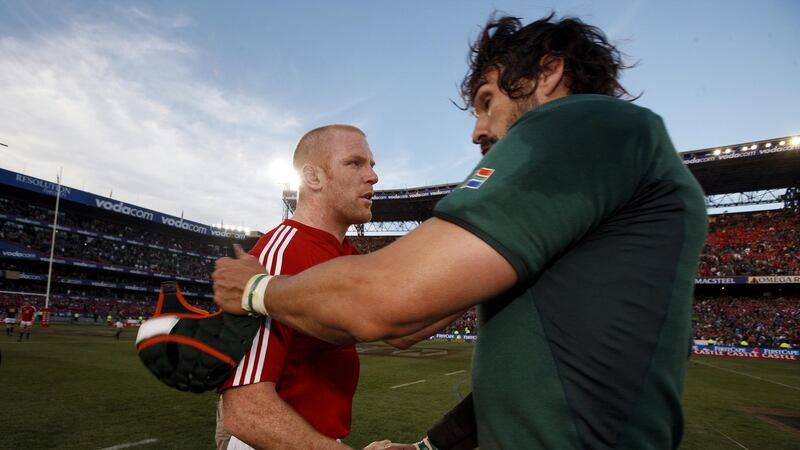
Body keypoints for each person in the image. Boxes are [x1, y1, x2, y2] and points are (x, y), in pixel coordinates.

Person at [213, 13, 708, 450]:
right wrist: (432, 447)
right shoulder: (603, 182)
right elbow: (525, 370)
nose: (477, 129)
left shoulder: (583, 121)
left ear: (549, 73)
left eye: (487, 100)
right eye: (356, 162)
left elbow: (385, 300)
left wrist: (256, 289)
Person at [216, 125, 449, 450]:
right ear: (313, 178)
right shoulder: (281, 254)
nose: (373, 176)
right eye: (355, 163)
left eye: (372, 165)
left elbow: (402, 330)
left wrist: (483, 285)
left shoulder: (345, 254)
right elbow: (247, 411)